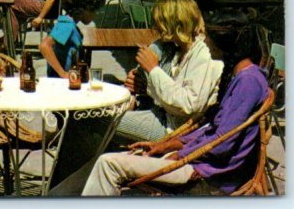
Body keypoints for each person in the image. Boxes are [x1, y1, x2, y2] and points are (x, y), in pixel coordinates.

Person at [83, 21, 270, 196]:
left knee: (108, 164)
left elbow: (222, 143)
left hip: (206, 173)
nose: (205, 43)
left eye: (208, 39)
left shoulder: (248, 81)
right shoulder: (243, 76)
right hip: (196, 162)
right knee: (115, 159)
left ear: (224, 44)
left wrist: (180, 156)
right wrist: (164, 146)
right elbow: (209, 131)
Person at [114, 0, 223, 144]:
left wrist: (153, 70)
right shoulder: (179, 49)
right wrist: (143, 84)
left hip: (175, 129)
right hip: (162, 115)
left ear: (175, 24)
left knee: (104, 122)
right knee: (100, 117)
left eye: (160, 23)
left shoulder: (204, 54)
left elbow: (189, 105)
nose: (156, 28)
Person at [39, 0, 106, 78]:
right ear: (84, 9)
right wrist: (62, 73)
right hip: (61, 82)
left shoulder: (69, 23)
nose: (95, 15)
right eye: (94, 10)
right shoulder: (67, 25)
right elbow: (44, 46)